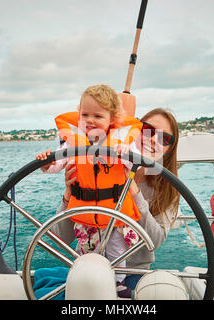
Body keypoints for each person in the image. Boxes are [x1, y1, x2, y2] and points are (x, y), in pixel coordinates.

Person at [52, 107, 181, 298]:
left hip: (135, 273)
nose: (154, 139)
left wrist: (134, 193)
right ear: (133, 131)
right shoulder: (94, 169)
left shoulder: (168, 190)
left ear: (169, 149)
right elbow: (60, 236)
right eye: (148, 130)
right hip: (87, 270)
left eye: (165, 138)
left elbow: (153, 241)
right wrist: (70, 195)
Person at [36, 84, 144, 292]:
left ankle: (118, 282)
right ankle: (85, 284)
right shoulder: (72, 143)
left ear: (112, 119)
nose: (90, 120)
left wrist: (125, 153)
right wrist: (46, 164)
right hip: (84, 213)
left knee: (116, 250)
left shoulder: (123, 141)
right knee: (85, 254)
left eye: (98, 115)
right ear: (78, 114)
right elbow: (57, 165)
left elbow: (134, 166)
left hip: (114, 214)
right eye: (85, 114)